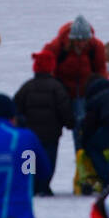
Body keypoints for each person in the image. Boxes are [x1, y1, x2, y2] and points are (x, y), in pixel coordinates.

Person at [13, 49, 74, 194]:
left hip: (29, 135)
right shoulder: (57, 87)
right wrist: (70, 123)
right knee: (48, 161)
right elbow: (64, 109)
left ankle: (29, 186)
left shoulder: (26, 87)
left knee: (29, 161)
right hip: (51, 135)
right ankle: (44, 186)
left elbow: (15, 108)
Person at [43, 16, 107, 147]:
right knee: (52, 126)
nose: (82, 43)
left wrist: (101, 93)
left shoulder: (96, 46)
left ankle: (81, 154)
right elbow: (46, 67)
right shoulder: (57, 46)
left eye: (85, 40)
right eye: (78, 40)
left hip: (84, 93)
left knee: (82, 125)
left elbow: (101, 71)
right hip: (61, 92)